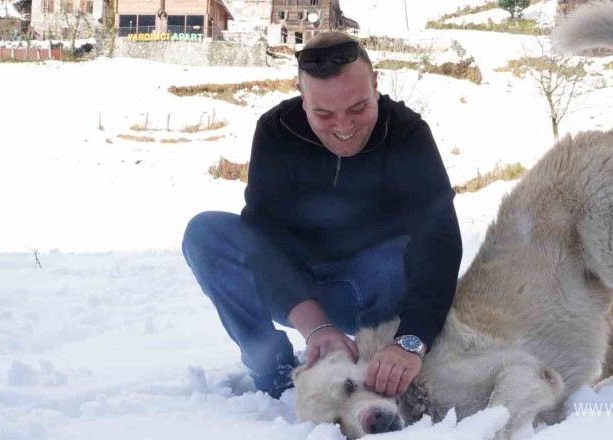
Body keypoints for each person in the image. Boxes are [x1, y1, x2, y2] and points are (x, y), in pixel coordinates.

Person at [182, 32, 462, 399]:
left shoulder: (407, 134)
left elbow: (438, 241)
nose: (344, 129)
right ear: (303, 98)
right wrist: (315, 327)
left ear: (376, 85)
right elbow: (260, 234)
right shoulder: (276, 131)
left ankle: (378, 362)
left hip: (373, 289)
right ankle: (273, 368)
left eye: (358, 108)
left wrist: (411, 341)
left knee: (397, 257)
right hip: (294, 287)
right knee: (205, 233)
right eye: (324, 114)